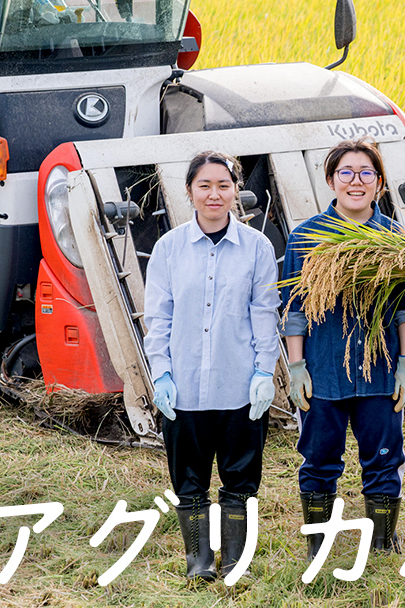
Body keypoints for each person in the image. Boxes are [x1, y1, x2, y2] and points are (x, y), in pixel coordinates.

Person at [280, 139, 405, 561]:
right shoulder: (307, 237)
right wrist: (297, 365)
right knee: (319, 458)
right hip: (323, 372)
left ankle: (382, 540)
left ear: (379, 183)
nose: (356, 181)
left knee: (384, 457)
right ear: (331, 180)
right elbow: (294, 308)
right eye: (346, 172)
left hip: (379, 372)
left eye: (366, 173)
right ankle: (317, 544)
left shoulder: (395, 239)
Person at [144, 151, 280, 581]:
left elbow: (264, 313)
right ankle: (199, 561)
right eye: (204, 185)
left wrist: (263, 372)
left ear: (236, 191)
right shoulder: (168, 249)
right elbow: (158, 318)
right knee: (189, 479)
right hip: (183, 386)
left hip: (238, 385)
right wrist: (161, 373)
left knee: (240, 478)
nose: (214, 194)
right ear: (189, 192)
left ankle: (236, 559)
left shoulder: (257, 247)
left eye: (224, 185)